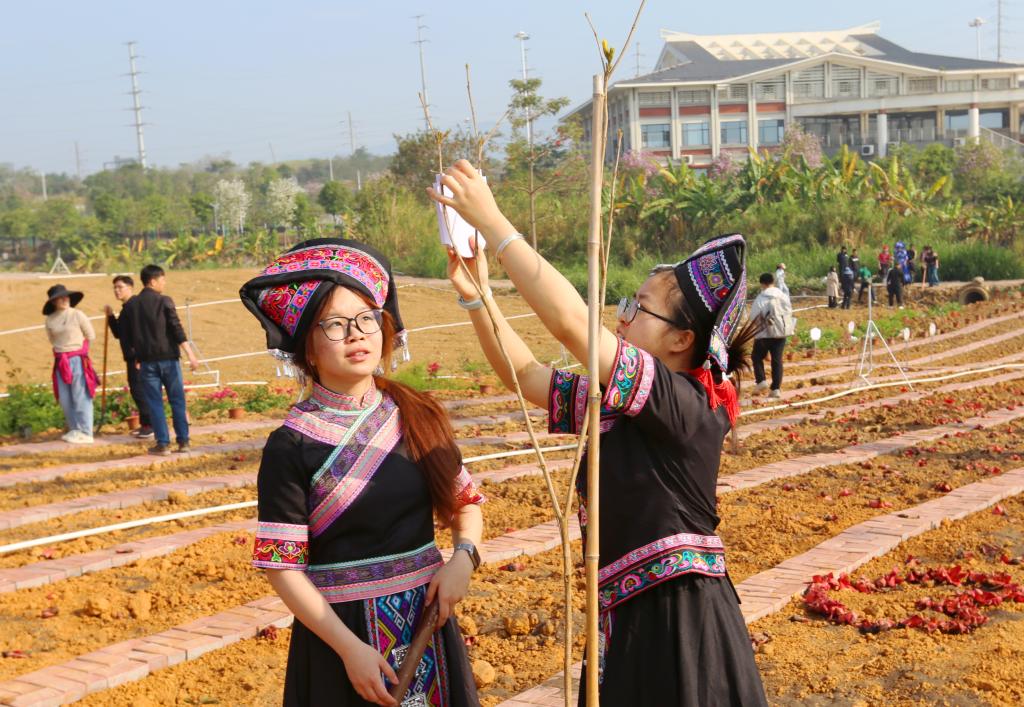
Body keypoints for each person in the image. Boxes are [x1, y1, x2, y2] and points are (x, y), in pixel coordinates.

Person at [428, 160, 768, 707]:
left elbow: (572, 324)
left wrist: (492, 221)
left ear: (681, 340)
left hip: (681, 621)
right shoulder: (620, 402)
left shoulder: (685, 405)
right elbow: (526, 376)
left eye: (639, 308)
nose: (622, 316)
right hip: (627, 615)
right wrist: (478, 294)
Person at [239, 239, 484, 707]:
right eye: (335, 324)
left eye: (366, 319)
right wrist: (350, 649)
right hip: (341, 639)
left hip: (427, 624)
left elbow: (466, 504)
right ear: (307, 350)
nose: (356, 334)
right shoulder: (290, 445)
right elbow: (282, 567)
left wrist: (463, 558)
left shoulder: (417, 415)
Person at [123, 265, 199, 456]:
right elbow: (176, 328)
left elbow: (129, 335)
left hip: (146, 362)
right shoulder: (164, 301)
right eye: (162, 279)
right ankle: (183, 441)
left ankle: (163, 444)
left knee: (155, 403)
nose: (164, 283)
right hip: (169, 359)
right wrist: (190, 354)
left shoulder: (132, 305)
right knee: (177, 401)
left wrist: (137, 357)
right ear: (153, 281)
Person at [43, 284, 98, 444]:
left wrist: (81, 351)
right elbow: (52, 340)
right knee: (65, 398)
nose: (64, 299)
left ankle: (86, 432)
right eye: (60, 297)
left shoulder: (77, 314)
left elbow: (90, 335)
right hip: (61, 361)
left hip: (77, 359)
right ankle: (75, 429)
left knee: (81, 395)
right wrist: (63, 353)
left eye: (66, 296)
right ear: (53, 301)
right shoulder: (50, 320)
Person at [104, 275, 152, 438]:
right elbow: (119, 333)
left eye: (120, 287)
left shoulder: (134, 306)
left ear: (130, 287)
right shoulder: (127, 308)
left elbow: (141, 333)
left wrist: (140, 356)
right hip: (132, 357)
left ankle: (149, 425)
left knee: (139, 390)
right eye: (115, 288)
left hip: (138, 357)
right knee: (137, 390)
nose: (117, 291)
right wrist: (111, 316)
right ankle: (146, 423)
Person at [749, 272, 794, 399]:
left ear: (762, 284)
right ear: (773, 282)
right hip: (781, 333)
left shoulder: (761, 298)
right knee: (777, 360)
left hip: (764, 334)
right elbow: (789, 311)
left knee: (756, 356)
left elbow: (753, 317)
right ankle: (776, 389)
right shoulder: (783, 296)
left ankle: (761, 380)